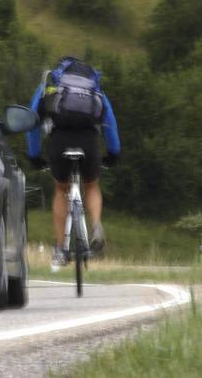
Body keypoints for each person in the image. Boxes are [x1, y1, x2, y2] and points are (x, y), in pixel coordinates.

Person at [26, 57, 121, 267]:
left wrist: (34, 154)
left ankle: (61, 249)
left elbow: (33, 119)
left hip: (60, 141)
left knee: (61, 188)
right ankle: (96, 225)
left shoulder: (51, 83)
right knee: (91, 184)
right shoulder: (94, 87)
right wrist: (114, 152)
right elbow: (109, 121)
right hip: (89, 141)